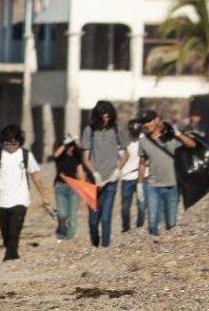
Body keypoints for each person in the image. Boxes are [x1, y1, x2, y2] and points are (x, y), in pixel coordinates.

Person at [0, 125, 51, 261]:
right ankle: (11, 252)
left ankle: (10, 257)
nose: (10, 146)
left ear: (20, 142)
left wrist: (44, 195)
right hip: (2, 200)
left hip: (21, 199)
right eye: (7, 143)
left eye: (14, 143)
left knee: (14, 230)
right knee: (5, 232)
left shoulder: (26, 155)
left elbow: (36, 177)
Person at [136, 110, 197, 242]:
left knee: (171, 222)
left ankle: (170, 248)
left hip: (172, 185)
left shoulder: (170, 136)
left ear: (157, 120)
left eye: (149, 121)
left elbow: (192, 145)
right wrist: (139, 184)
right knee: (152, 222)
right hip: (153, 186)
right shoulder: (143, 142)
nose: (146, 125)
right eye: (144, 123)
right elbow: (142, 163)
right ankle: (154, 249)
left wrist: (178, 134)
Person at [80, 101, 129, 248]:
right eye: (103, 116)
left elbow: (126, 154)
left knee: (107, 216)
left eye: (108, 116)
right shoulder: (89, 131)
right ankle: (95, 244)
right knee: (93, 219)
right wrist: (94, 173)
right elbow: (85, 157)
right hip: (93, 181)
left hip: (111, 180)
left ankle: (105, 248)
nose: (105, 119)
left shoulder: (116, 129)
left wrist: (117, 170)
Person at [52, 136, 85, 242]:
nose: (70, 148)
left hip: (73, 189)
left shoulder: (76, 158)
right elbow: (55, 155)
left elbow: (80, 173)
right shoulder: (60, 157)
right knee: (62, 214)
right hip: (60, 187)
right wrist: (65, 144)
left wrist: (83, 188)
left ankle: (69, 237)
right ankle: (61, 231)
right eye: (68, 146)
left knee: (73, 217)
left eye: (72, 145)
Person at [118, 127, 148, 233]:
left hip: (142, 176)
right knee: (125, 206)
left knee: (142, 204)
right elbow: (121, 157)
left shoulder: (144, 139)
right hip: (127, 176)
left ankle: (139, 227)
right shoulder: (124, 141)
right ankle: (126, 228)